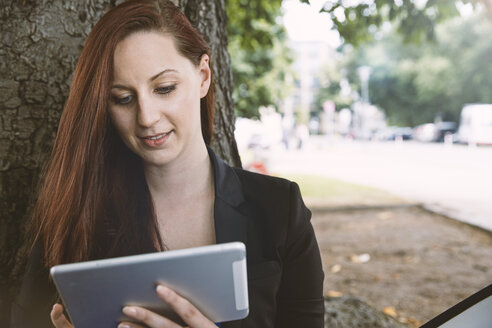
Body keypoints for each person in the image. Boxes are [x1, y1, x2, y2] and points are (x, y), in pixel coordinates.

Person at [10, 1, 324, 327]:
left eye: (164, 89)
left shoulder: (279, 208)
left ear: (203, 77)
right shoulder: (78, 213)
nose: (147, 118)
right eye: (123, 98)